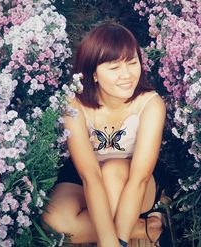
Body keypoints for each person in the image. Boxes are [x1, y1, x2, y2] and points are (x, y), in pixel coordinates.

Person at [41, 22, 167, 247]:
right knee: (54, 222)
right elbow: (89, 175)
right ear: (94, 74)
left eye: (132, 62)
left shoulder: (151, 104)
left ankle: (120, 231)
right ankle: (143, 228)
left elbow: (140, 179)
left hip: (136, 184)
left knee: (111, 172)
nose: (126, 75)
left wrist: (114, 242)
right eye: (114, 67)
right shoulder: (74, 106)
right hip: (87, 180)